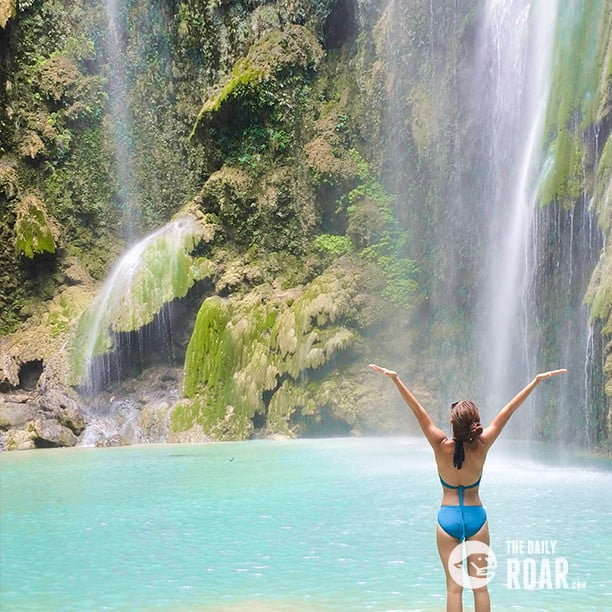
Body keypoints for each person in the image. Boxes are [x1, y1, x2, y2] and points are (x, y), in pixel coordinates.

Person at [369, 363, 567, 612]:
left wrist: (396, 380)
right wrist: (536, 381)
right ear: (476, 424)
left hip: (447, 517)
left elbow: (415, 409)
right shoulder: (482, 445)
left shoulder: (440, 445)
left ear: (452, 422)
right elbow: (509, 410)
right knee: (480, 586)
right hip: (476, 517)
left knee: (454, 588)